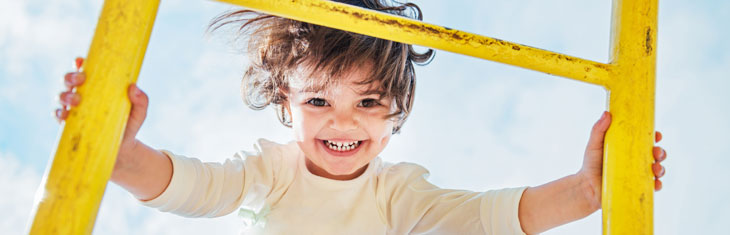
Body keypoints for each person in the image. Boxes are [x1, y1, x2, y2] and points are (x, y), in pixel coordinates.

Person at [55, 0, 667, 234]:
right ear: (284, 105)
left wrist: (588, 191)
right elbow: (195, 187)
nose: (343, 123)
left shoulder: (397, 194)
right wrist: (120, 152)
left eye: (368, 103)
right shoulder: (273, 172)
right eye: (319, 101)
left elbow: (483, 217)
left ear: (396, 112)